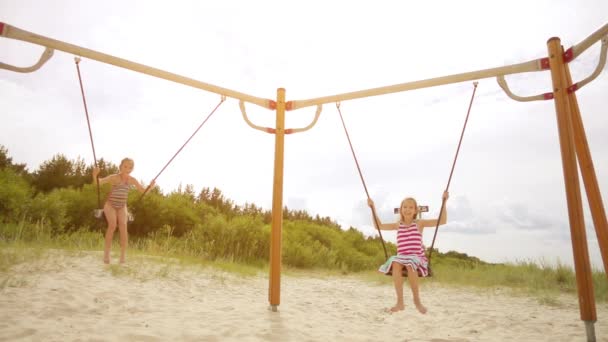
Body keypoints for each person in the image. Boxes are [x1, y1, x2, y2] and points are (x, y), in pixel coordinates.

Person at [367, 190, 449, 314]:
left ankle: (417, 301)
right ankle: (400, 302)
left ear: (415, 210)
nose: (407, 209)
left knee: (411, 265)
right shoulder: (397, 225)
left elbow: (442, 221)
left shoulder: (419, 223)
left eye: (411, 207)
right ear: (401, 210)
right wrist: (372, 208)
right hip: (401, 257)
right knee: (395, 262)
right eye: (405, 207)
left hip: (416, 257)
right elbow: (379, 226)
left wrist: (444, 202)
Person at [92, 158, 154, 264]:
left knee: (123, 226)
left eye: (130, 167)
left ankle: (122, 256)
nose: (127, 169)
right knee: (112, 225)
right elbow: (99, 182)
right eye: (125, 166)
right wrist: (94, 175)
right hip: (110, 205)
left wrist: (151, 187)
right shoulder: (114, 177)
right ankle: (106, 254)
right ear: (120, 166)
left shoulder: (132, 180)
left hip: (122, 206)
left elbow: (143, 191)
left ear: (132, 169)